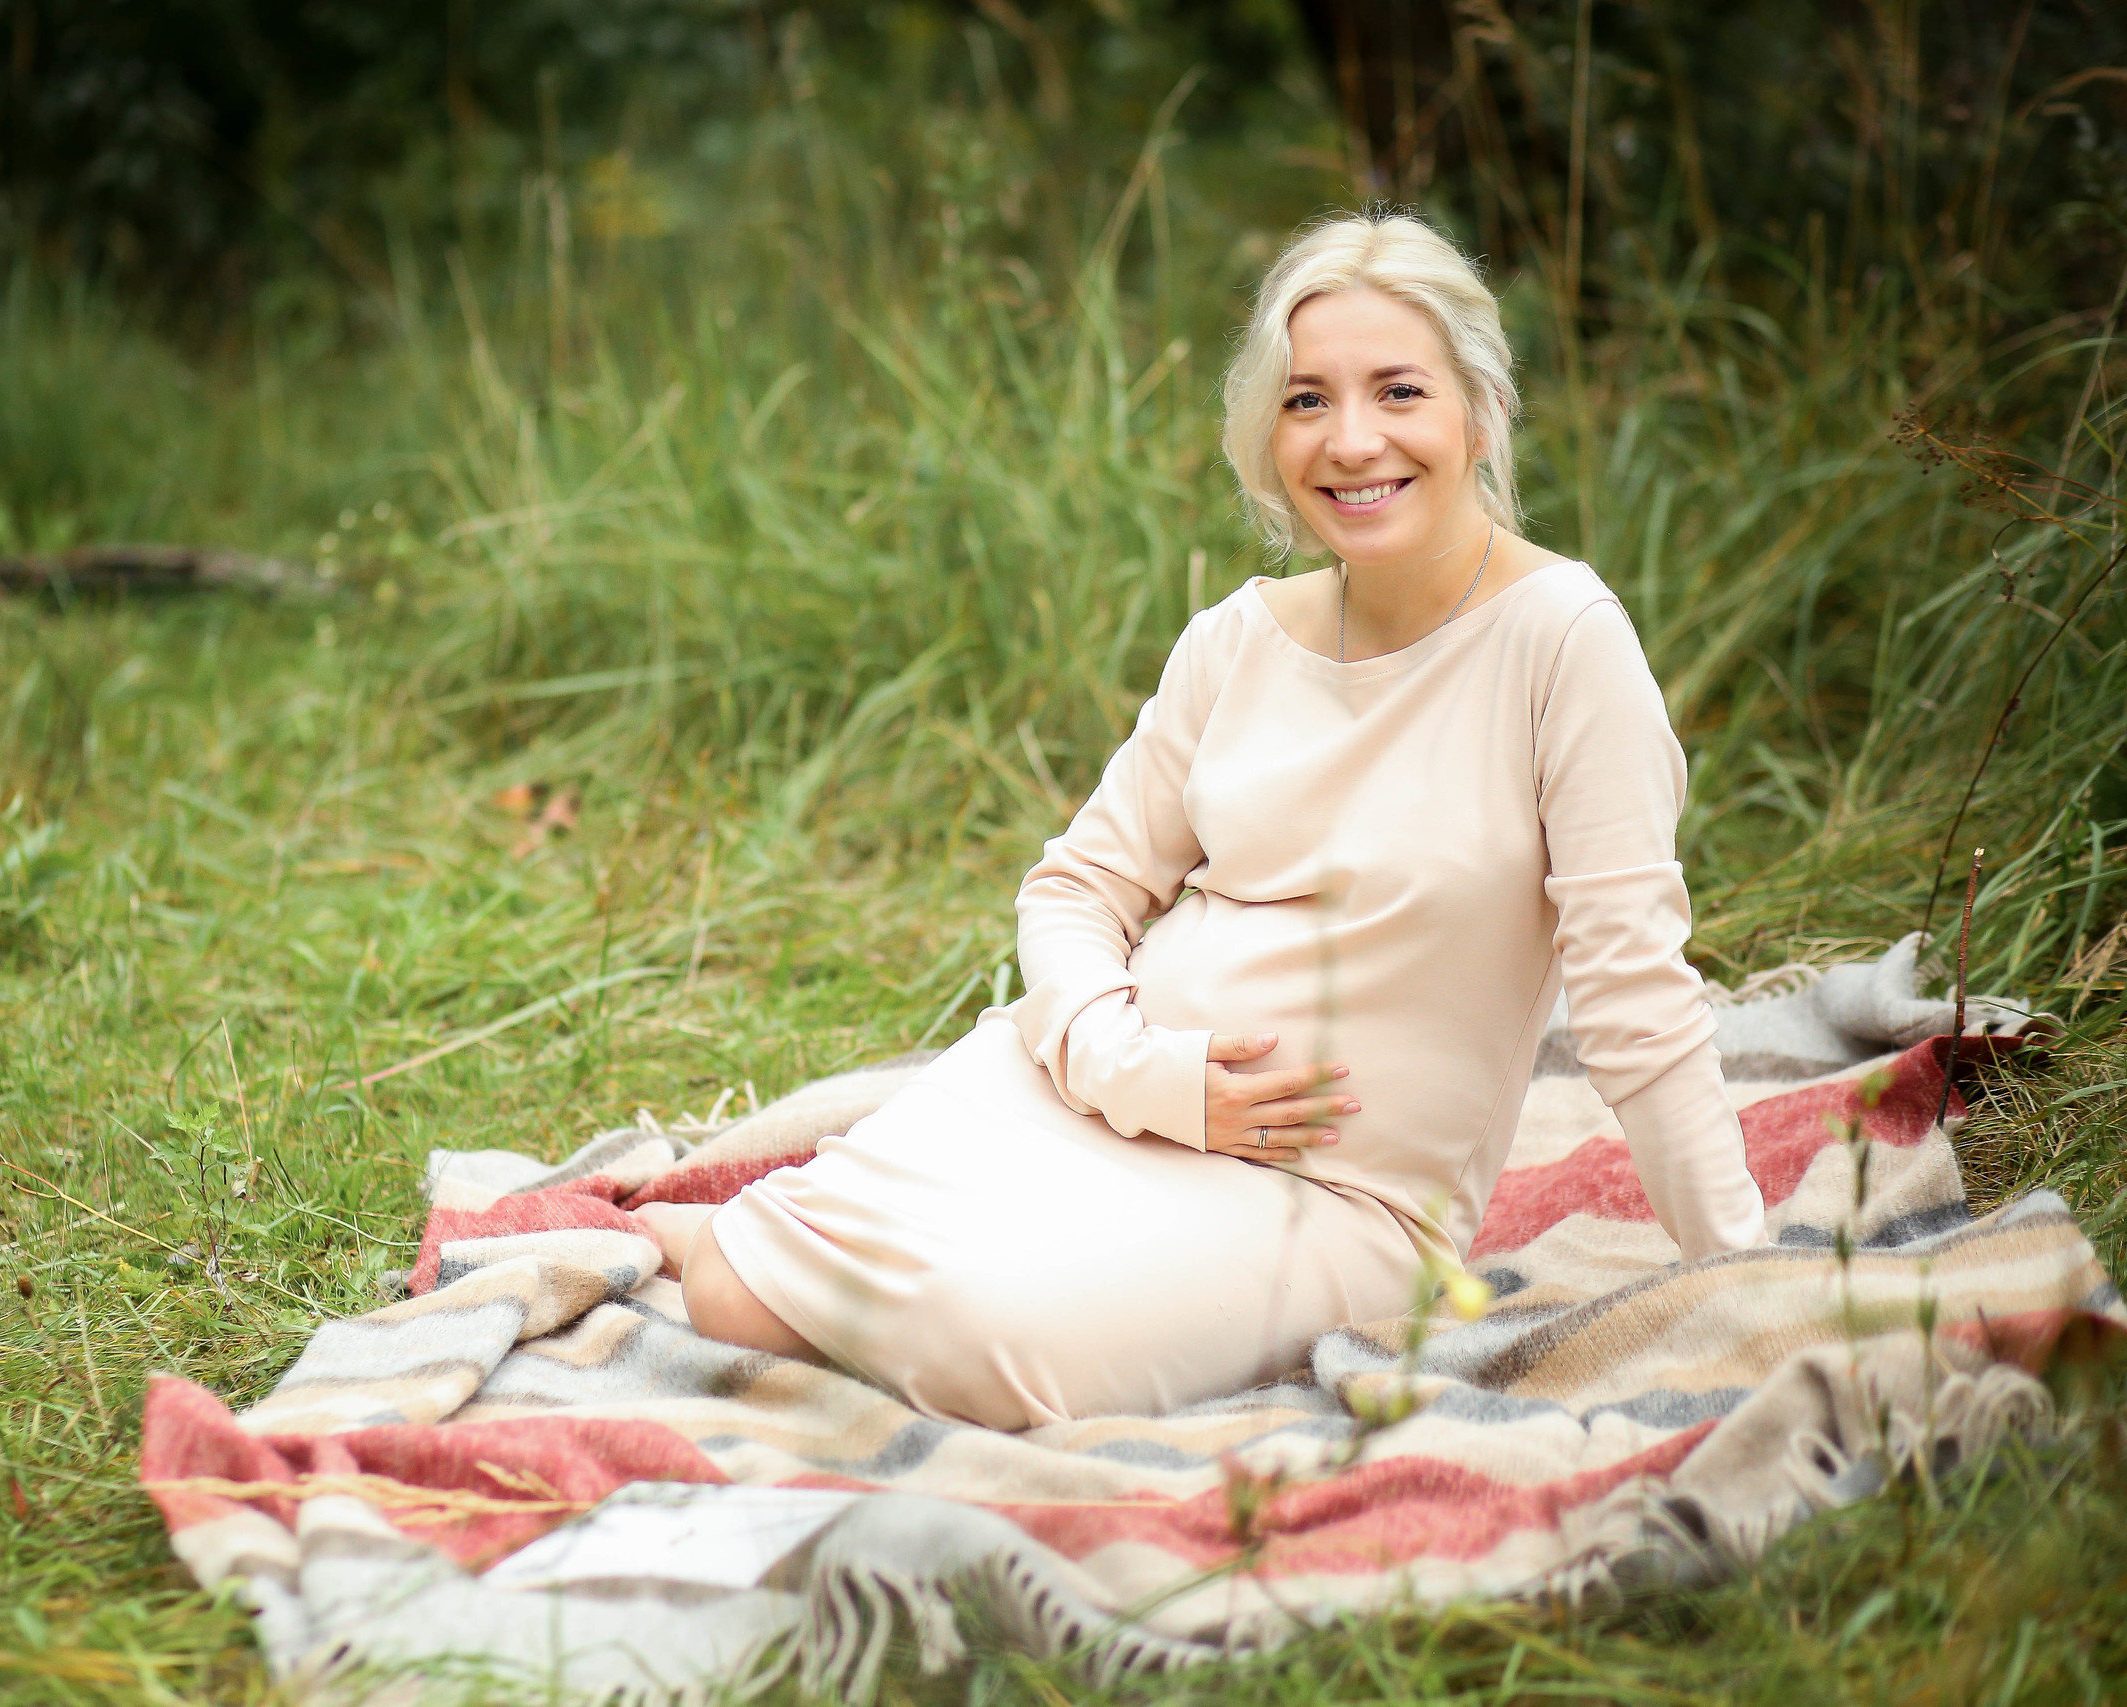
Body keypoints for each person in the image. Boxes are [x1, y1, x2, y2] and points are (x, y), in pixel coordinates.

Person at [636, 210, 1767, 1430]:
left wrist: (1749, 1280)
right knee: (734, 1294)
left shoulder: (1565, 643)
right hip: (1095, 1096)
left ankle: (851, 1266)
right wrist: (1127, 1064)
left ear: (1478, 414)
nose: (1350, 441)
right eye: (1305, 401)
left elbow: (1637, 1000)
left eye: (1398, 391)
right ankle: (784, 1249)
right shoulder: (1238, 639)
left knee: (1000, 1354)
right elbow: (1075, 890)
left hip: (1333, 1197)